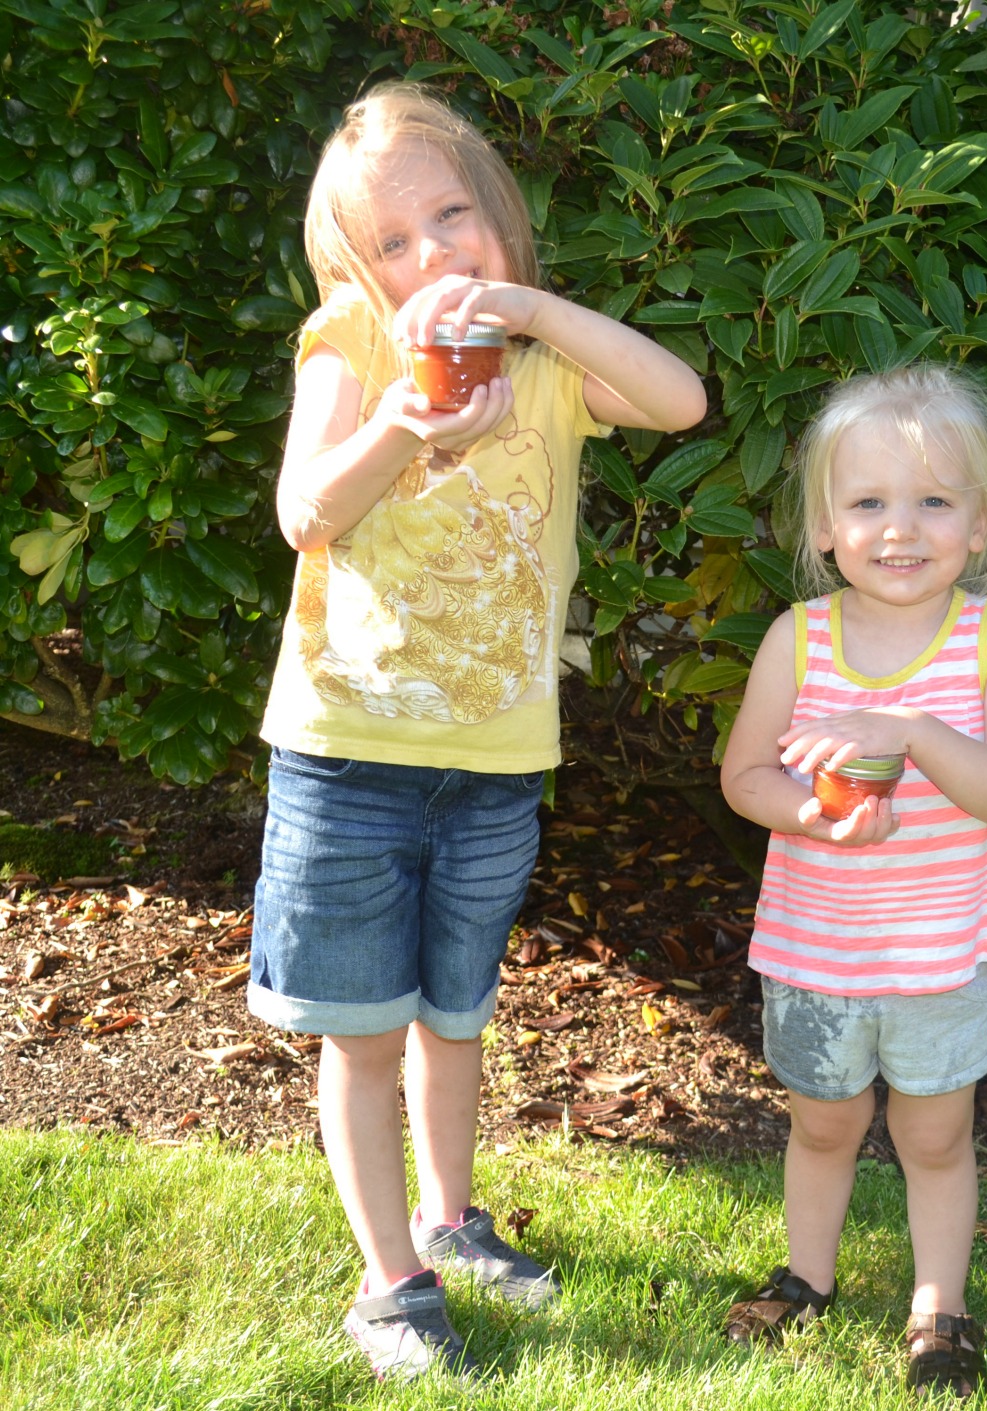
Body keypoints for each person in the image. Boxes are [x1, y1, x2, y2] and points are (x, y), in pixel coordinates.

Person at [246, 81, 706, 1381]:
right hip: (350, 748)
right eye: (393, 242)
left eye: (454, 216)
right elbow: (304, 510)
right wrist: (403, 419)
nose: (433, 254)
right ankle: (390, 1280)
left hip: (496, 755)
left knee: (457, 1013)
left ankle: (453, 1219)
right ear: (354, 268)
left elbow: (678, 402)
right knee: (365, 1026)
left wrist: (526, 313)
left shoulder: (552, 357)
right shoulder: (352, 343)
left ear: (499, 213)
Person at [719, 364, 987, 1399]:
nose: (898, 528)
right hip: (816, 943)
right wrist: (811, 813)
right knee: (822, 1121)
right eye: (867, 502)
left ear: (976, 523)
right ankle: (806, 1275)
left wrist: (910, 728)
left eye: (932, 501)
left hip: (939, 951)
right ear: (824, 526)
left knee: (934, 1131)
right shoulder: (799, 637)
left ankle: (937, 1307)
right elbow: (744, 777)